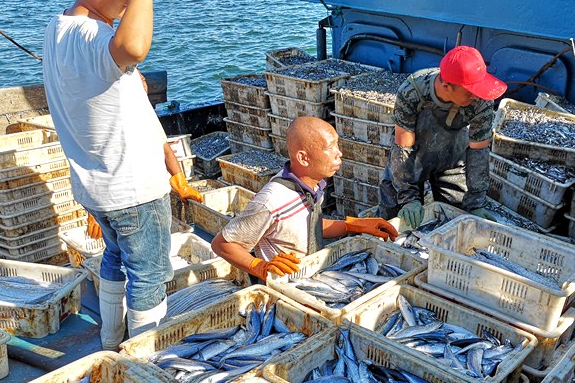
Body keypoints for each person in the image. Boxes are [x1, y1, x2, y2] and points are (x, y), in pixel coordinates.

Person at [42, 0, 204, 350]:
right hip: (131, 189)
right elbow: (133, 47)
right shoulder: (93, 38)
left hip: (97, 188)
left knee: (115, 259)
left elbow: (129, 100)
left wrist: (174, 168)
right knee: (150, 274)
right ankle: (147, 363)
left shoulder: (58, 29)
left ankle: (112, 343)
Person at [211, 116, 398, 279]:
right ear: (303, 158)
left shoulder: (312, 185)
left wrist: (352, 225)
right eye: (330, 147)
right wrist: (259, 267)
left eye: (337, 145)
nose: (339, 153)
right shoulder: (272, 201)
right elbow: (222, 244)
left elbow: (306, 225)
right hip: (284, 283)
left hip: (309, 274)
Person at [378, 45, 507, 228]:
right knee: (391, 218)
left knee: (453, 220)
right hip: (411, 160)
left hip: (452, 162)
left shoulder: (482, 100)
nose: (477, 96)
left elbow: (478, 152)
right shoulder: (412, 91)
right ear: (446, 87)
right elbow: (403, 147)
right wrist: (408, 197)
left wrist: (476, 201)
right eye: (470, 91)